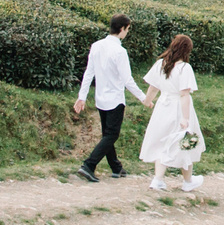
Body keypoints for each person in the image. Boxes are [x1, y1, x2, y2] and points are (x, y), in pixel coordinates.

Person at [72, 14, 146, 183]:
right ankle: (89, 165)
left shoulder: (96, 46)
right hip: (115, 99)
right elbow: (127, 80)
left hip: (100, 98)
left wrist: (82, 96)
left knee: (107, 134)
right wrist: (143, 98)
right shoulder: (120, 52)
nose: (127, 32)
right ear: (122, 29)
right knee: (111, 135)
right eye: (127, 29)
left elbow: (89, 73)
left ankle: (116, 167)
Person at [137, 33, 205, 192]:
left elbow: (153, 87)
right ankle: (188, 181)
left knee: (162, 142)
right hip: (178, 108)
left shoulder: (161, 64)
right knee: (186, 143)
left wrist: (147, 101)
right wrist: (185, 118)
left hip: (162, 106)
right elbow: (184, 95)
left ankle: (158, 180)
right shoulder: (184, 68)